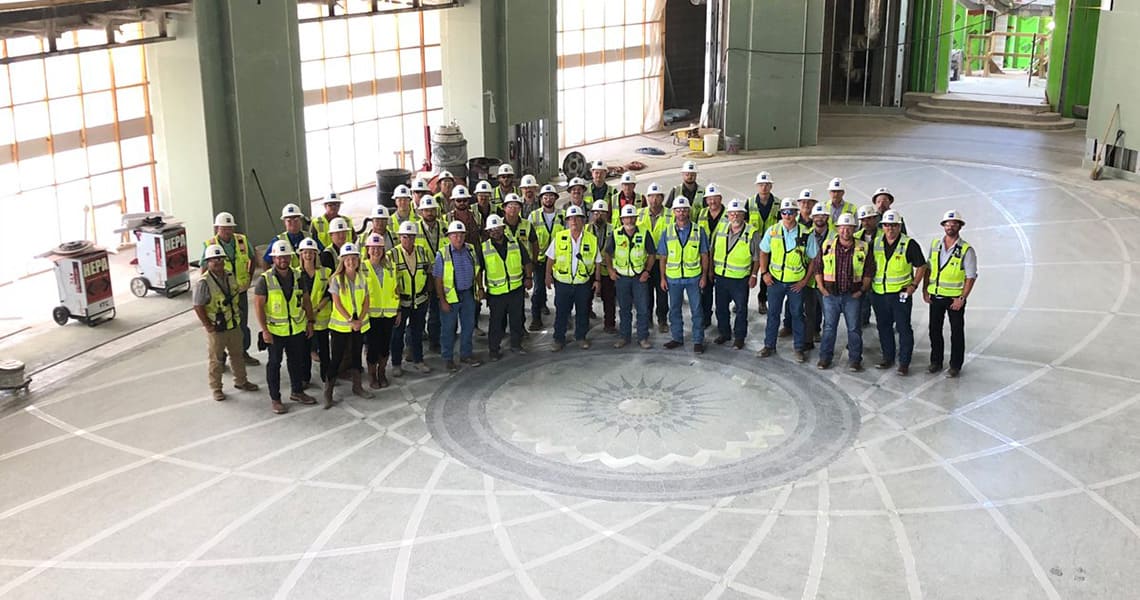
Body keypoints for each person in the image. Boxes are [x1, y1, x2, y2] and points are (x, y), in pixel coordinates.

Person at [254, 240, 316, 414]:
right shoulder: (265, 280)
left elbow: (306, 300)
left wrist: (310, 322)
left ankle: (297, 391)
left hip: (295, 329)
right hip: (275, 331)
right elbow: (258, 306)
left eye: (286, 256)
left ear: (291, 257)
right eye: (279, 257)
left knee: (296, 362)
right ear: (274, 259)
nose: (283, 260)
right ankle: (275, 399)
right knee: (274, 364)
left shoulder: (298, 276)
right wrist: (265, 330)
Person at [194, 244, 260, 402]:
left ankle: (241, 381)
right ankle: (216, 388)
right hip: (217, 328)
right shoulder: (203, 282)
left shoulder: (229, 275)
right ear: (208, 262)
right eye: (214, 260)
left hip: (233, 324)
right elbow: (198, 306)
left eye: (220, 259)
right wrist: (208, 326)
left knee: (237, 355)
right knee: (216, 360)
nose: (218, 262)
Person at [758, 198, 820, 362]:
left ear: (796, 213)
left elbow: (813, 259)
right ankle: (769, 345)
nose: (787, 215)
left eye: (791, 212)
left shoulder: (806, 234)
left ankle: (799, 348)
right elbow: (763, 252)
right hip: (775, 281)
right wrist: (764, 273)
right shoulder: (773, 231)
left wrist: (804, 281)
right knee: (773, 314)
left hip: (795, 284)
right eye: (784, 212)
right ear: (781, 214)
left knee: (797, 315)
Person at [870, 209, 928, 376]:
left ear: (899, 226)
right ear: (883, 226)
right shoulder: (876, 243)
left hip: (899, 294)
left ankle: (904, 362)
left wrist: (914, 285)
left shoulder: (909, 244)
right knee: (883, 327)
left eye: (894, 225)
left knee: (903, 328)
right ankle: (888, 357)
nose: (890, 228)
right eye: (887, 225)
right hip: (879, 293)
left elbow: (922, 266)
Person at [814, 213, 873, 371]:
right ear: (837, 229)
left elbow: (868, 271)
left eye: (849, 228)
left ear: (854, 229)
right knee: (829, 328)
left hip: (852, 296)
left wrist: (862, 290)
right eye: (842, 228)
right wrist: (821, 287)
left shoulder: (863, 247)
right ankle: (825, 358)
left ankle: (855, 360)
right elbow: (818, 267)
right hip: (831, 295)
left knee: (854, 329)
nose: (845, 231)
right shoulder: (827, 245)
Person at [923, 210, 977, 378]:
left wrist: (962, 298)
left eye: (954, 224)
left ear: (959, 226)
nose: (950, 226)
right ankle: (936, 362)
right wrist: (925, 289)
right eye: (947, 223)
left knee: (956, 332)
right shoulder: (935, 245)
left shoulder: (966, 249)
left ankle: (955, 365)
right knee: (934, 330)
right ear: (943, 226)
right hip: (936, 296)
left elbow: (970, 276)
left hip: (955, 299)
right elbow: (928, 269)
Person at [202, 211, 259, 368]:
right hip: (219, 294)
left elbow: (252, 258)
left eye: (229, 228)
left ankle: (243, 352)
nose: (227, 231)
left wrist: (249, 277)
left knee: (242, 323)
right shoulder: (210, 244)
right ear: (217, 228)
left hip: (239, 291)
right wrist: (205, 288)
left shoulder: (241, 241)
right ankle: (220, 358)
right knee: (220, 325)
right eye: (224, 228)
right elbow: (204, 267)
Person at [324, 243, 374, 408]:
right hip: (341, 327)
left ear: (358, 260)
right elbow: (337, 303)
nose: (351, 262)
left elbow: (366, 301)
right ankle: (328, 393)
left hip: (358, 325)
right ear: (342, 261)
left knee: (356, 356)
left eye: (354, 258)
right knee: (336, 358)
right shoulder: (336, 279)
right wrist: (351, 320)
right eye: (347, 259)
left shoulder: (362, 278)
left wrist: (360, 320)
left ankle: (357, 387)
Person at [546, 205, 601, 351]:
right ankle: (559, 339)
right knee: (562, 312)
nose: (574, 221)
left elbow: (597, 261)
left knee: (583, 311)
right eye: (571, 218)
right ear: (567, 221)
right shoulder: (559, 237)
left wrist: (597, 280)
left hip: (582, 283)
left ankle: (581, 337)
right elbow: (550, 258)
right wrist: (547, 276)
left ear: (583, 221)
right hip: (563, 283)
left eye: (577, 218)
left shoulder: (591, 239)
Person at [658, 196, 710, 353]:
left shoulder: (698, 231)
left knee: (697, 310)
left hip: (693, 278)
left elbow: (704, 255)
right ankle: (677, 338)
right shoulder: (667, 232)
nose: (681, 213)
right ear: (674, 212)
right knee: (674, 310)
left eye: (684, 210)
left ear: (689, 211)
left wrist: (704, 276)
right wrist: (662, 278)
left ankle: (698, 340)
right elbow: (663, 257)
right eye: (678, 210)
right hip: (673, 278)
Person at [482, 214, 533, 360]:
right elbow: (479, 270)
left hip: (516, 290)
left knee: (516, 320)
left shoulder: (515, 243)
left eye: (498, 228)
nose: (495, 232)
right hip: (496, 293)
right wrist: (480, 288)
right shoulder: (484, 248)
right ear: (488, 232)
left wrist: (528, 278)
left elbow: (527, 261)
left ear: (503, 228)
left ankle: (516, 345)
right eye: (492, 230)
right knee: (496, 323)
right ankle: (494, 350)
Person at [435, 221, 483, 372]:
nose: (458, 238)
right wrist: (442, 300)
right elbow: (438, 279)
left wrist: (480, 288)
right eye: (455, 235)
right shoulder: (442, 254)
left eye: (461, 234)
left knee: (468, 326)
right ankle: (448, 358)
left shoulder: (470, 250)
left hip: (468, 294)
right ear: (449, 237)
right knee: (448, 329)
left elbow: (477, 270)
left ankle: (466, 354)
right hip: (450, 298)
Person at [711, 199, 759, 350]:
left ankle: (739, 337)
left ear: (744, 215)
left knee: (741, 309)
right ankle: (724, 333)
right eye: (732, 213)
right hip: (721, 277)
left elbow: (757, 257)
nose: (735, 216)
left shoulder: (752, 233)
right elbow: (712, 250)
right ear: (728, 215)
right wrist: (711, 271)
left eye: (738, 213)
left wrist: (754, 275)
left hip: (740, 279)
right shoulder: (721, 228)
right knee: (721, 308)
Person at [607, 204, 655, 349]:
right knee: (624, 309)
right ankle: (624, 337)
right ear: (622, 219)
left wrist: (647, 271)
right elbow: (607, 253)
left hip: (639, 278)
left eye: (632, 217)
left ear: (636, 218)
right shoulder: (616, 234)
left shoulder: (644, 233)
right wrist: (610, 270)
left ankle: (643, 337)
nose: (629, 220)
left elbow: (652, 254)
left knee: (642, 309)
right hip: (622, 278)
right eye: (626, 218)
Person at [389, 221, 434, 376]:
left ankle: (418, 360)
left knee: (417, 332)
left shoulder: (422, 251)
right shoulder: (392, 255)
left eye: (411, 237)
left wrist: (428, 292)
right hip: (401, 302)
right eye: (405, 237)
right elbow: (389, 282)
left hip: (420, 300)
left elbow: (429, 272)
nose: (408, 240)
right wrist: (395, 305)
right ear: (400, 237)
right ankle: (396, 364)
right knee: (397, 334)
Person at [363, 232, 401, 388]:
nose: (376, 251)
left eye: (379, 248)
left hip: (389, 313)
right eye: (373, 248)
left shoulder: (390, 266)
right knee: (372, 347)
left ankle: (382, 372)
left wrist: (398, 310)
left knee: (385, 346)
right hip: (371, 314)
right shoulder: (362, 267)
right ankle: (372, 375)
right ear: (367, 249)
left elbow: (396, 289)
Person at [528, 184, 564, 330]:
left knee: (562, 292)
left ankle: (564, 318)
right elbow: (529, 239)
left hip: (559, 260)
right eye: (545, 196)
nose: (548, 199)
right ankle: (536, 319)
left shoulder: (563, 215)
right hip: (540, 260)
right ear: (541, 199)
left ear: (555, 198)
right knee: (538, 290)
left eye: (551, 196)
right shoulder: (533, 216)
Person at [297, 237, 331, 388]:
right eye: (305, 252)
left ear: (316, 254)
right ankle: (305, 377)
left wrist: (316, 310)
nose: (308, 255)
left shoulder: (326, 272)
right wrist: (308, 312)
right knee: (305, 350)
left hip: (321, 317)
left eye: (311, 252)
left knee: (324, 349)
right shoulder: (296, 274)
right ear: (301, 255)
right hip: (304, 318)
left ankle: (327, 375)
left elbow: (329, 294)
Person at [638, 183, 672, 333]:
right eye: (651, 196)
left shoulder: (671, 215)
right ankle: (647, 319)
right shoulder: (639, 213)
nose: (654, 200)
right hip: (644, 260)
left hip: (663, 260)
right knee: (645, 293)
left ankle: (662, 320)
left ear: (662, 198)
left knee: (662, 292)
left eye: (657, 196)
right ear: (647, 198)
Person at [417, 195, 446, 353]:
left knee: (436, 311)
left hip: (441, 276)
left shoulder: (445, 227)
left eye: (432, 210)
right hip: (421, 277)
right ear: (421, 212)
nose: (429, 213)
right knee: (419, 313)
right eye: (426, 210)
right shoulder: (414, 229)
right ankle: (414, 346)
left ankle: (435, 342)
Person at [696, 184, 727, 328]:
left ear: (720, 198)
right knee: (705, 292)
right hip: (704, 257)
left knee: (722, 296)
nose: (712, 202)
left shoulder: (729, 215)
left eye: (715, 198)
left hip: (721, 259)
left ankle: (723, 324)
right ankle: (706, 318)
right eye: (709, 199)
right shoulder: (702, 213)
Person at [749, 172, 780, 315]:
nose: (764, 187)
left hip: (771, 245)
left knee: (766, 273)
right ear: (757, 186)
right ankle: (740, 300)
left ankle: (762, 299)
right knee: (748, 272)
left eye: (767, 184)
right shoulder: (750, 203)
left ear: (771, 186)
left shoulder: (778, 204)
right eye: (761, 185)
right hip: (752, 244)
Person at [802, 203, 832, 350]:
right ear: (812, 217)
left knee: (829, 316)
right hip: (810, 281)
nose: (820, 218)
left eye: (823, 215)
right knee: (809, 312)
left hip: (828, 282)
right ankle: (808, 340)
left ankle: (826, 345)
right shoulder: (806, 234)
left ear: (827, 217)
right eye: (817, 216)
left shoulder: (835, 236)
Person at [589, 200, 616, 333]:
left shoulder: (613, 229)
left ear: (607, 214)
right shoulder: (586, 229)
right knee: (585, 297)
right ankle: (586, 319)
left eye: (602, 213)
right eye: (596, 213)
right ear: (592, 214)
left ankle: (609, 324)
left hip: (606, 269)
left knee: (609, 298)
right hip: (589, 269)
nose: (599, 215)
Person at [264, 203, 319, 268]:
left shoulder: (311, 237)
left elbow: (322, 253)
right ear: (284, 222)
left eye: (296, 220)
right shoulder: (278, 240)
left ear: (300, 220)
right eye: (289, 221)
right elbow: (266, 261)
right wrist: (272, 274)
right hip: (289, 274)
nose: (293, 223)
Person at [855, 204, 880, 327]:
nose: (866, 222)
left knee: (882, 313)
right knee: (860, 313)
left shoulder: (884, 236)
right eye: (863, 220)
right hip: (861, 279)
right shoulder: (856, 237)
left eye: (869, 219)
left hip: (878, 280)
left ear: (875, 219)